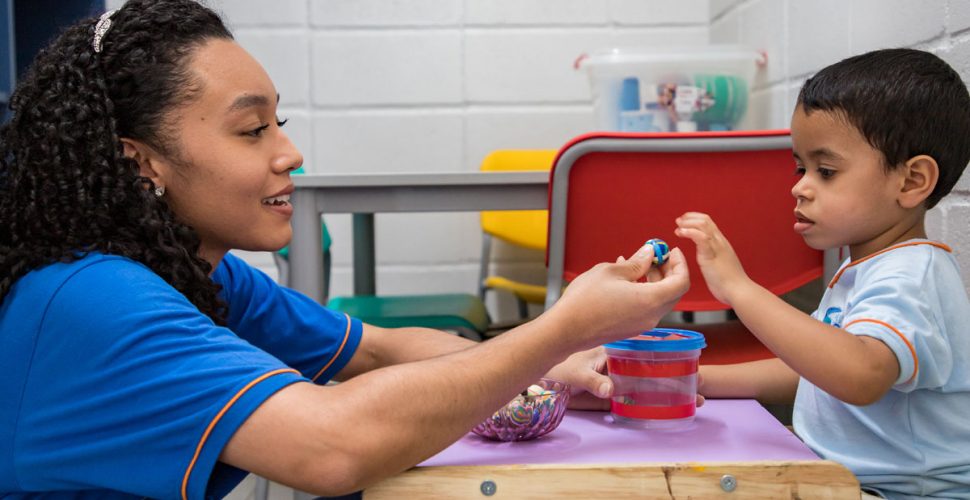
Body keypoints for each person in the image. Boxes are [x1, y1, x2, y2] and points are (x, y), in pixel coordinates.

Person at [0, 1, 690, 498]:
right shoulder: (92, 299)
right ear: (140, 163)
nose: (290, 154)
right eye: (251, 131)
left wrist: (557, 360)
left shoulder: (204, 276)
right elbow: (332, 447)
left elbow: (379, 350)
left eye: (281, 124)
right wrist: (557, 329)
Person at [675, 48, 970, 499]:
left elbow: (859, 375)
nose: (799, 186)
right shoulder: (865, 267)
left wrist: (739, 289)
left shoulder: (912, 274)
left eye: (826, 171)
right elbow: (814, 370)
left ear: (911, 182)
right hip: (842, 480)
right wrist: (701, 382)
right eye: (801, 166)